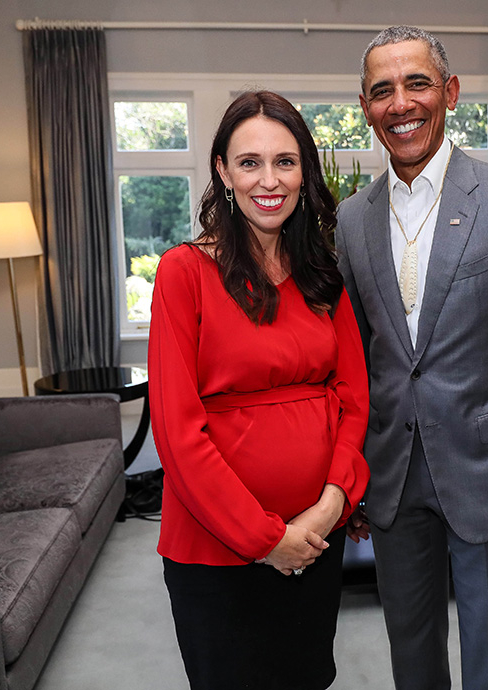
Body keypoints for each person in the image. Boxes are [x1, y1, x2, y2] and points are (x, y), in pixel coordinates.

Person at [335, 26, 488, 690]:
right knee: (410, 651)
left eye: (416, 83)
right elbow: (356, 360)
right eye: (382, 90)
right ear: (365, 106)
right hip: (391, 476)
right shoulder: (351, 219)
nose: (400, 103)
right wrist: (352, 470)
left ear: (450, 93)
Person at [148, 90, 370, 690]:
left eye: (285, 161)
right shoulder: (183, 273)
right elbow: (176, 431)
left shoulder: (324, 274)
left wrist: (332, 504)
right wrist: (267, 539)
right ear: (222, 170)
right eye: (250, 162)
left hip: (315, 542)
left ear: (305, 173)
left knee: (306, 679)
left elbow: (354, 398)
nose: (268, 180)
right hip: (216, 553)